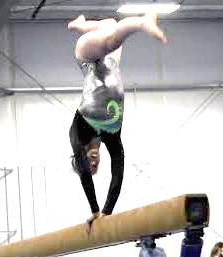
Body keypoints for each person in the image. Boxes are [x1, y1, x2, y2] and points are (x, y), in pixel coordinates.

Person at [68, 13, 167, 231]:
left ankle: (143, 22)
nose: (93, 164)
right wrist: (106, 213)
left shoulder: (78, 131)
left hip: (87, 57)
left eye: (88, 164)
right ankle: (82, 24)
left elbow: (84, 174)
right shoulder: (110, 134)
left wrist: (94, 210)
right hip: (110, 63)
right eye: (96, 166)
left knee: (111, 38)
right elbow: (118, 171)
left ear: (81, 157)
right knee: (110, 25)